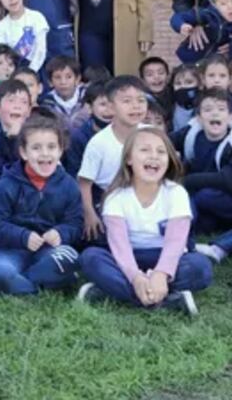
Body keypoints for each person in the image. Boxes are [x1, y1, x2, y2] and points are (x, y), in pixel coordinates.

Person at [78, 127, 212, 314]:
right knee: (90, 257)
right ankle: (168, 300)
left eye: (161, 151)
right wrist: (136, 277)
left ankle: (109, 292)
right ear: (129, 159)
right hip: (128, 258)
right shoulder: (116, 197)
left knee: (200, 267)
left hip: (166, 257)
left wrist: (161, 274)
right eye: (145, 150)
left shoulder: (176, 193)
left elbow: (175, 243)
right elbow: (120, 247)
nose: (154, 156)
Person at [0, 116, 83, 296]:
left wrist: (61, 233)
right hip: (8, 249)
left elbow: (75, 223)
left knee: (69, 258)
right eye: (36, 148)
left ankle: (23, 284)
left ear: (60, 150)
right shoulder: (5, 185)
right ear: (23, 152)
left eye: (51, 147)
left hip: (48, 250)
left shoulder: (69, 185)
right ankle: (39, 285)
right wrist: (23, 236)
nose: (45, 153)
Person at [170, 89, 232, 263]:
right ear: (199, 117)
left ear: (231, 117)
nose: (215, 113)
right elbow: (164, 141)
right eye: (208, 109)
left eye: (221, 109)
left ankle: (213, 246)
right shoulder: (192, 134)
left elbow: (228, 179)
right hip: (207, 204)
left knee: (195, 196)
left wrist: (184, 181)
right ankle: (179, 242)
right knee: (196, 210)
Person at [77, 76, 148, 242]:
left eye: (141, 100)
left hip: (147, 198)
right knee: (98, 237)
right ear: (111, 107)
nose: (135, 106)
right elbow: (84, 182)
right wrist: (90, 215)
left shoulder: (152, 134)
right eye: (127, 101)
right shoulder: (99, 142)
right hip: (111, 202)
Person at [170, 0, 232, 65]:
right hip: (189, 61)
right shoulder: (207, 15)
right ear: (214, 5)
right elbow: (178, 16)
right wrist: (181, 25)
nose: (230, 6)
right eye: (223, 3)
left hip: (215, 66)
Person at [0, 0, 50, 73]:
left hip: (35, 69)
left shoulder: (36, 18)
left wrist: (31, 71)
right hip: (12, 72)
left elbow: (41, 50)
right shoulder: (1, 27)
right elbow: (3, 56)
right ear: (0, 1)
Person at [62, 80, 112, 177]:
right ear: (89, 108)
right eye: (103, 104)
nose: (109, 109)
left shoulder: (126, 133)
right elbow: (74, 172)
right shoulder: (78, 137)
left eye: (113, 104)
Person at [39, 56, 89, 133]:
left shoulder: (88, 97)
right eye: (58, 77)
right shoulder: (46, 104)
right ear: (50, 82)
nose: (63, 82)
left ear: (77, 79)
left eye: (68, 77)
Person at [169, 64, 202, 132]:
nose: (183, 86)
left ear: (199, 84)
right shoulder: (169, 107)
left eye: (189, 82)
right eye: (178, 83)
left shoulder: (205, 106)